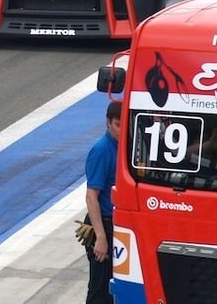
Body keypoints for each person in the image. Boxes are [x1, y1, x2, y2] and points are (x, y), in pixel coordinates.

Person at [84, 99, 122, 304]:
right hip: (104, 226)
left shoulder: (125, 146)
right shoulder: (101, 150)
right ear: (108, 122)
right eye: (117, 124)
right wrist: (100, 237)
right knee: (100, 289)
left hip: (117, 226)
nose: (121, 129)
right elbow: (92, 197)